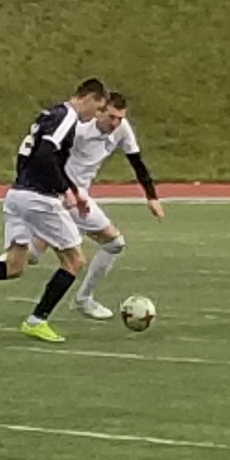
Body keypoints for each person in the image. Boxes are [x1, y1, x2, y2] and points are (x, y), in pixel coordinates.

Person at [0, 79, 104, 344]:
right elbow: (46, 155)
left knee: (15, 265)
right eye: (97, 108)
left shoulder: (49, 114)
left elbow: (29, 155)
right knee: (75, 261)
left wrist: (67, 189)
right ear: (89, 97)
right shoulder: (67, 118)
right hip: (38, 198)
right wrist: (64, 191)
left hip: (17, 195)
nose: (94, 116)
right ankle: (37, 320)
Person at [59, 88, 163, 318]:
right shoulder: (79, 129)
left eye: (120, 118)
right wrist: (69, 192)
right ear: (99, 112)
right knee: (29, 255)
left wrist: (152, 197)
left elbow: (137, 162)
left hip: (79, 199)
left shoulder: (122, 130)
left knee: (114, 243)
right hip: (64, 196)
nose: (116, 123)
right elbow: (53, 160)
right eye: (112, 117)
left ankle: (83, 299)